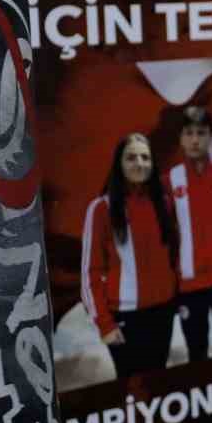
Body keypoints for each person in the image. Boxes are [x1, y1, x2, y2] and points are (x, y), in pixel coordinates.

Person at [81, 133, 180, 378]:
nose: (139, 163)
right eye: (131, 157)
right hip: (125, 319)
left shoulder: (165, 203)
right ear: (120, 164)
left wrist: (173, 298)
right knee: (133, 392)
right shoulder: (101, 208)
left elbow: (173, 255)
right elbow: (89, 272)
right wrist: (105, 324)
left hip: (162, 313)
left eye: (145, 157)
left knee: (159, 384)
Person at [167, 105, 212, 362]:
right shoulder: (171, 180)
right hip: (189, 284)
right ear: (181, 138)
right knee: (196, 355)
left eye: (201, 132)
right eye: (189, 133)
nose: (195, 139)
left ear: (211, 135)